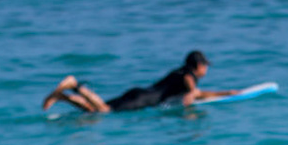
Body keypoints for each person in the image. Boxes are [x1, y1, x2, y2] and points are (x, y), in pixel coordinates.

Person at [41, 51, 239, 113]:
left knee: (95, 110)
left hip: (140, 93)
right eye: (205, 66)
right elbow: (195, 92)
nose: (206, 69)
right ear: (197, 66)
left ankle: (63, 97)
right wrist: (225, 93)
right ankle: (75, 84)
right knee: (104, 111)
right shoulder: (189, 76)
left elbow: (194, 92)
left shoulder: (179, 72)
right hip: (142, 100)